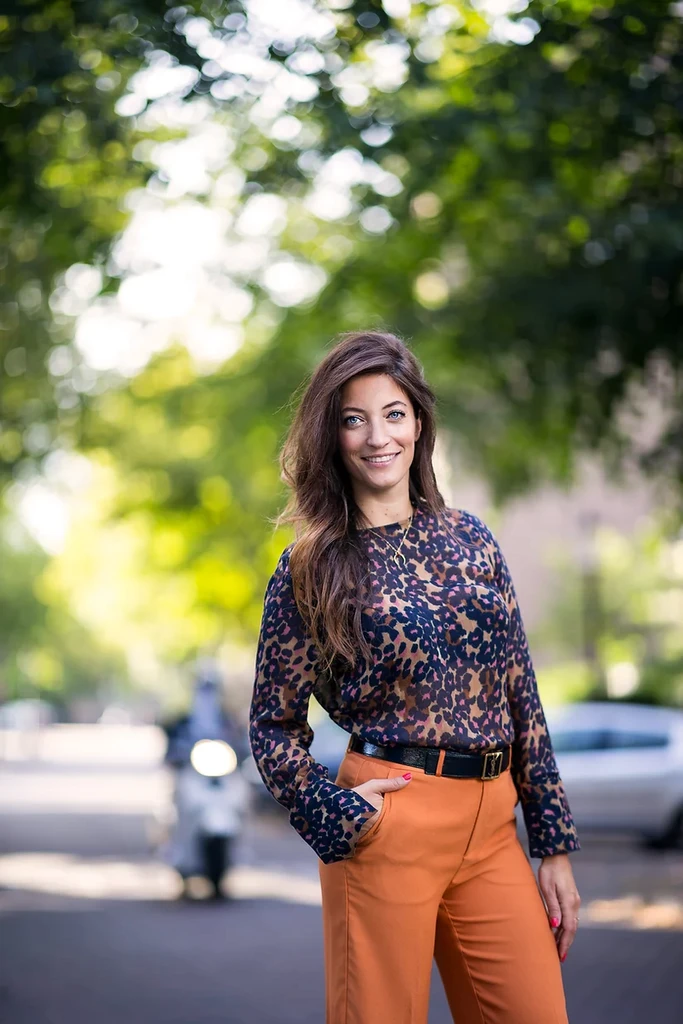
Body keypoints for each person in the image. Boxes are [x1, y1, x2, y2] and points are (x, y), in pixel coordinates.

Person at [249, 330, 581, 1024]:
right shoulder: (311, 567)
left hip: (492, 827)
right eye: (354, 419)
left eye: (393, 413)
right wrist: (335, 812)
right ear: (332, 435)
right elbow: (272, 725)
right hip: (389, 818)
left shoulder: (472, 540)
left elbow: (521, 695)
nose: (378, 437)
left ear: (419, 423)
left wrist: (552, 844)